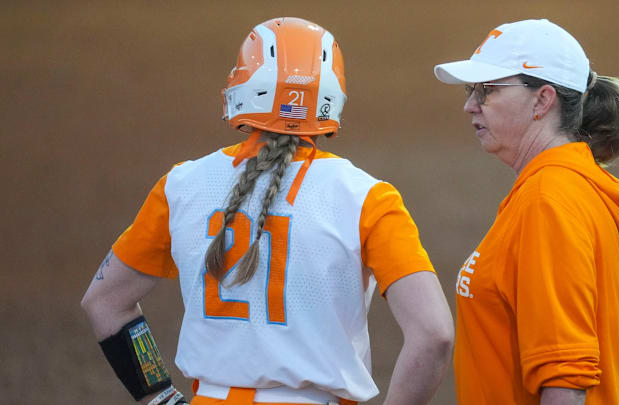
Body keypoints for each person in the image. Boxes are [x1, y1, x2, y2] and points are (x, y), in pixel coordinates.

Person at [81, 17, 453, 405]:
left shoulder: (181, 186)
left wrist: (157, 393)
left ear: (242, 88)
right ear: (331, 99)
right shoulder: (368, 198)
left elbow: (104, 302)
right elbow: (434, 333)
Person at [434, 19, 619, 405]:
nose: (469, 105)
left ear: (543, 100)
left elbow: (565, 378)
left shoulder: (549, 201)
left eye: (488, 90)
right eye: (471, 90)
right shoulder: (559, 187)